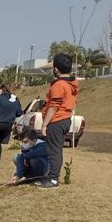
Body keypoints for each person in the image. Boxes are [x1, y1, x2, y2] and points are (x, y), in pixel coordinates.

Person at [38, 53, 79, 189]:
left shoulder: (59, 85)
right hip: (65, 119)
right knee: (55, 150)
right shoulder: (71, 83)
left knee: (54, 151)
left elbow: (54, 106)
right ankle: (50, 176)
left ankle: (53, 179)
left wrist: (44, 124)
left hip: (56, 121)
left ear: (55, 69)